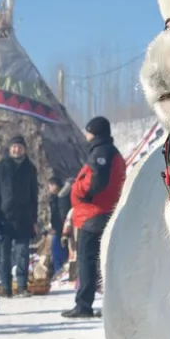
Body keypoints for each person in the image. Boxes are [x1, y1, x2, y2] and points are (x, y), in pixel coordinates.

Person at [64, 116, 125, 319]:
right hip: (103, 212)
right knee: (106, 261)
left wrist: (80, 191)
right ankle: (111, 304)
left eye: (88, 131)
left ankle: (84, 305)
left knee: (87, 261)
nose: (86, 135)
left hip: (94, 214)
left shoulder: (101, 152)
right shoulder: (110, 152)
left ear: (94, 132)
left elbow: (95, 181)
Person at [0, 136, 40, 296]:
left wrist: (34, 217)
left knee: (23, 254)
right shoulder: (0, 166)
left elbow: (34, 195)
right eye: (14, 147)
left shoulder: (30, 168)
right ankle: (5, 287)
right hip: (4, 217)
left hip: (24, 217)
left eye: (20, 147)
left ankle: (22, 286)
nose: (16, 149)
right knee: (4, 255)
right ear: (9, 148)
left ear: (24, 149)